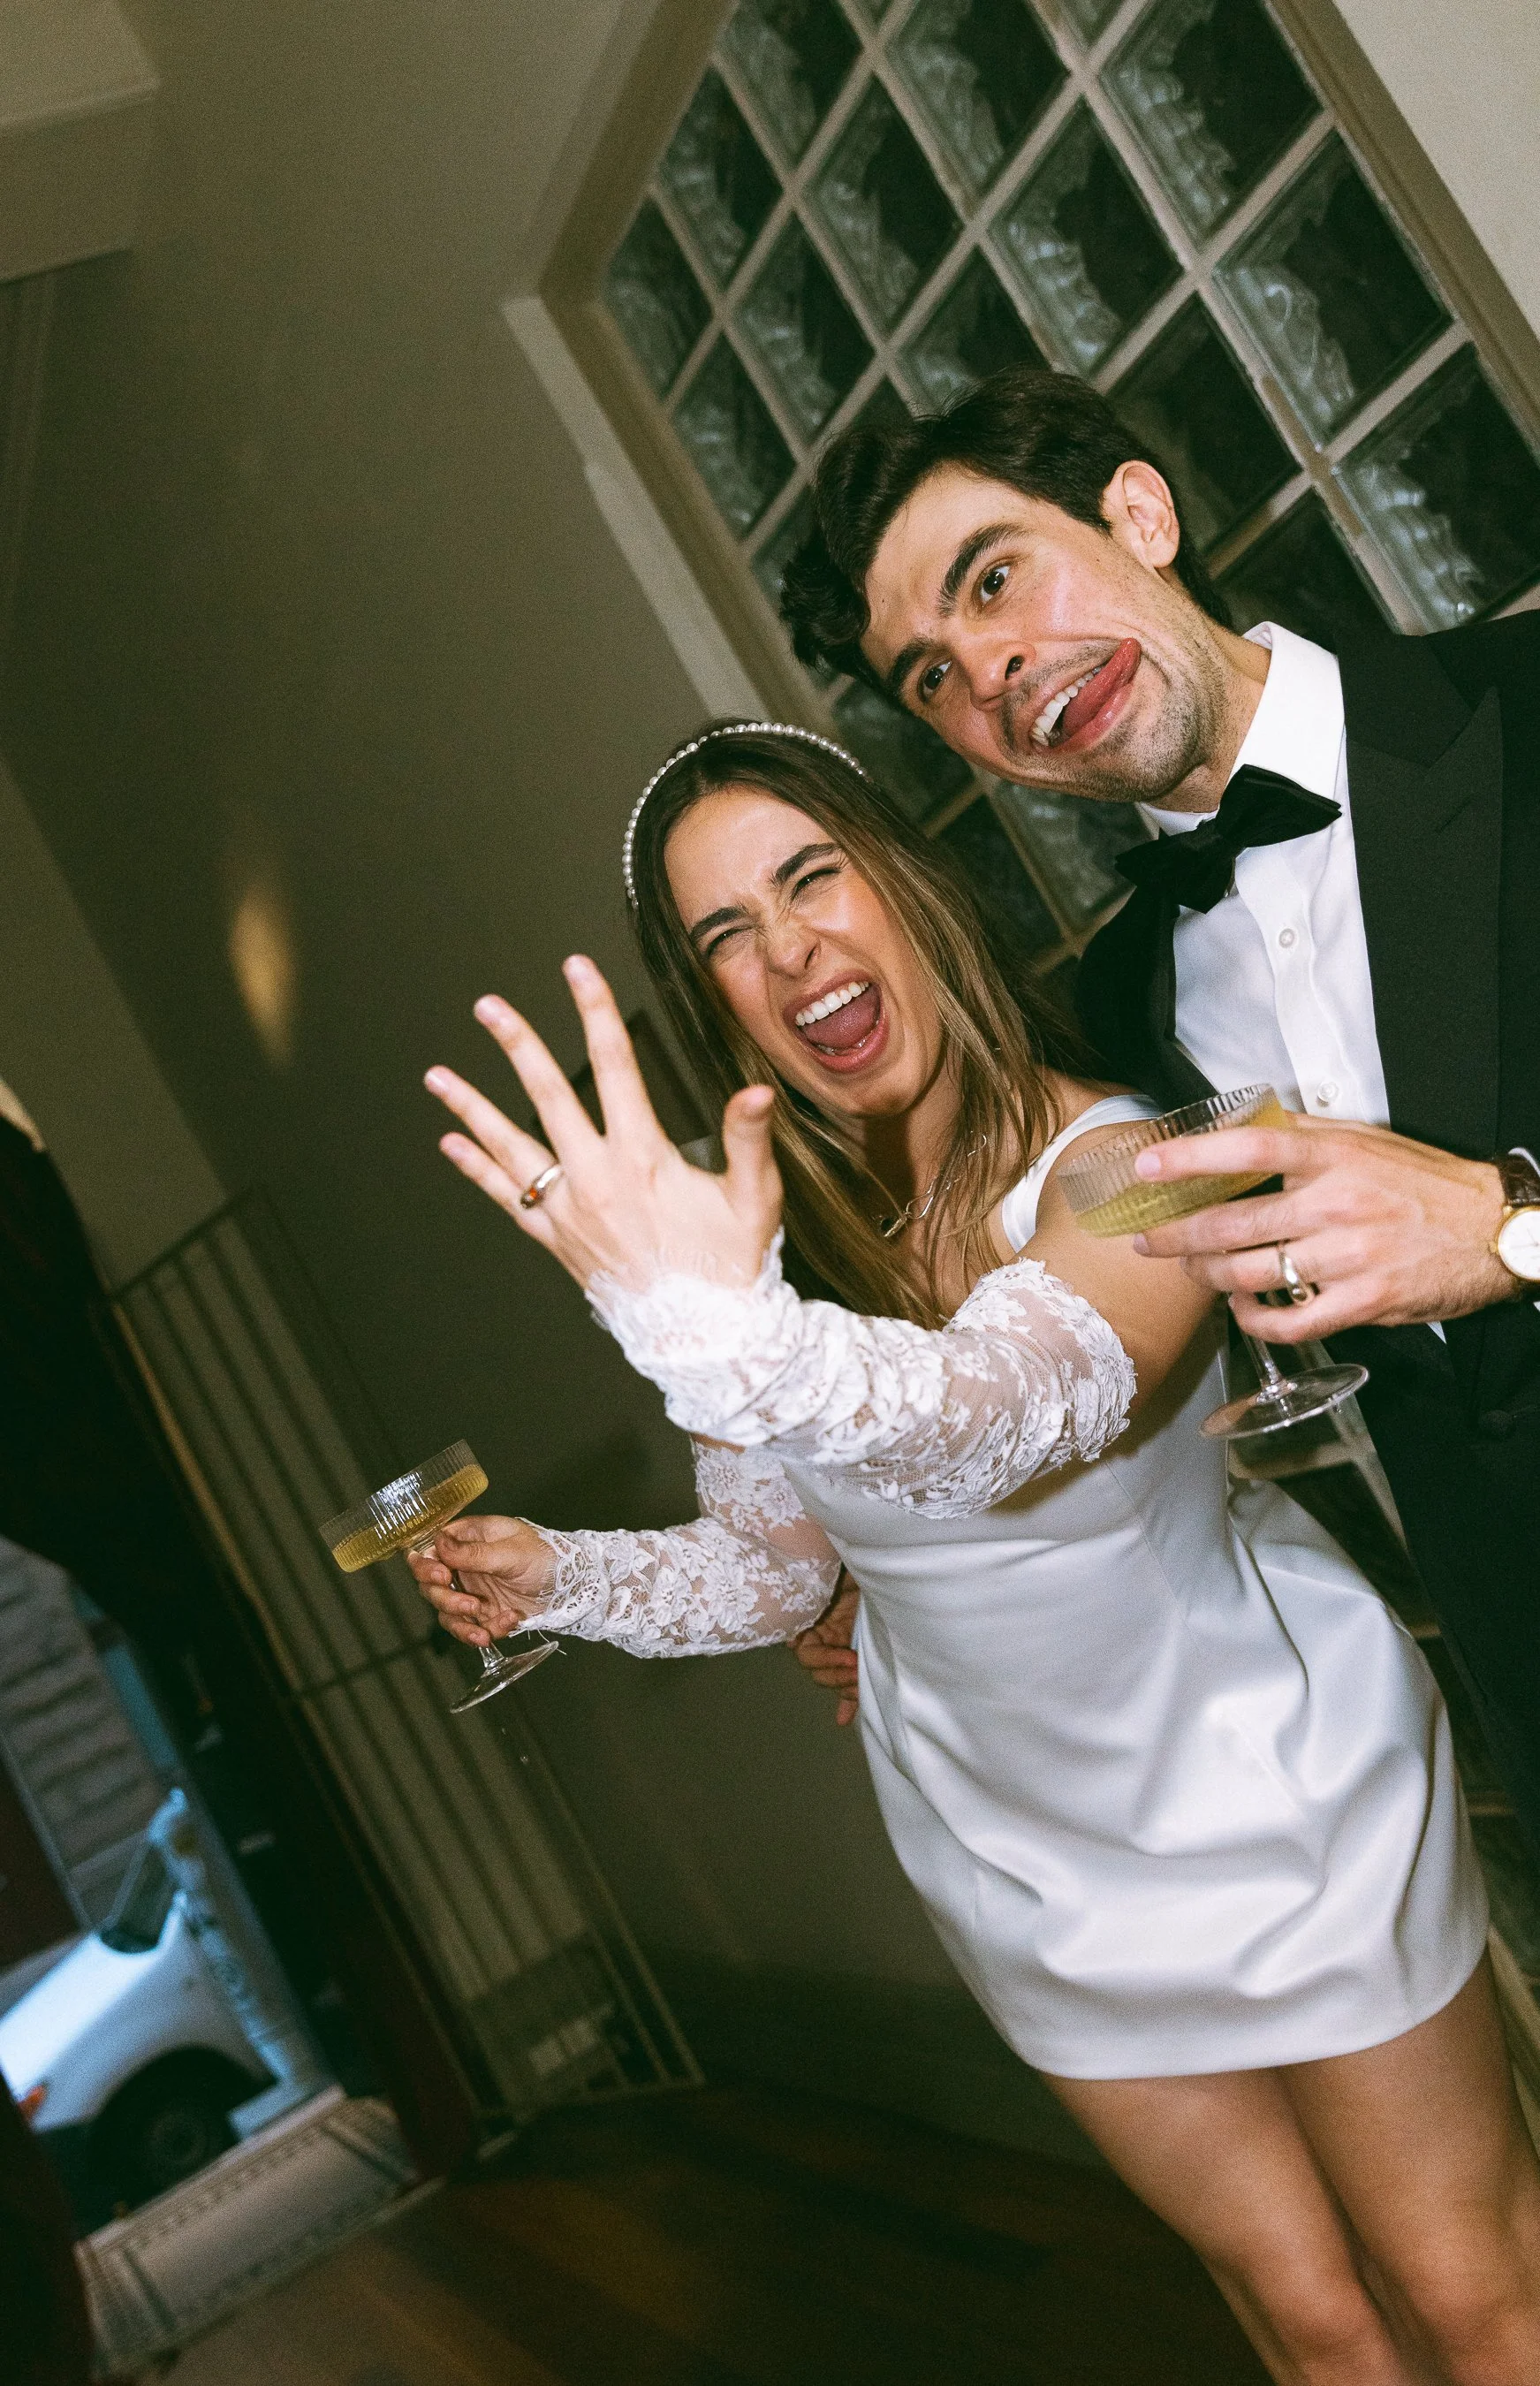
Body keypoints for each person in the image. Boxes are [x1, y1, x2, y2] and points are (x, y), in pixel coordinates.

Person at [411, 723, 1540, 2383]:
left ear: (909, 886)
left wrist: (718, 1341)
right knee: (1311, 2331)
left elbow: (1003, 1407)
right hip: (1016, 1856)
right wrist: (557, 1577)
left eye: (813, 877)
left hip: (1274, 1795)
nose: (788, 949)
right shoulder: (761, 1256)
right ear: (706, 997)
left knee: (1471, 2298)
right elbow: (784, 1568)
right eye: (727, 934)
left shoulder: (1128, 1165)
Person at [778, 365, 1540, 1848]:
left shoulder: (1522, 708)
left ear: (1139, 510)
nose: (987, 667)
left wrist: (1513, 1229)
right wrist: (895, 1560)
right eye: (930, 673)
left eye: (993, 579)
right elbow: (1063, 1320)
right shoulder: (1123, 1009)